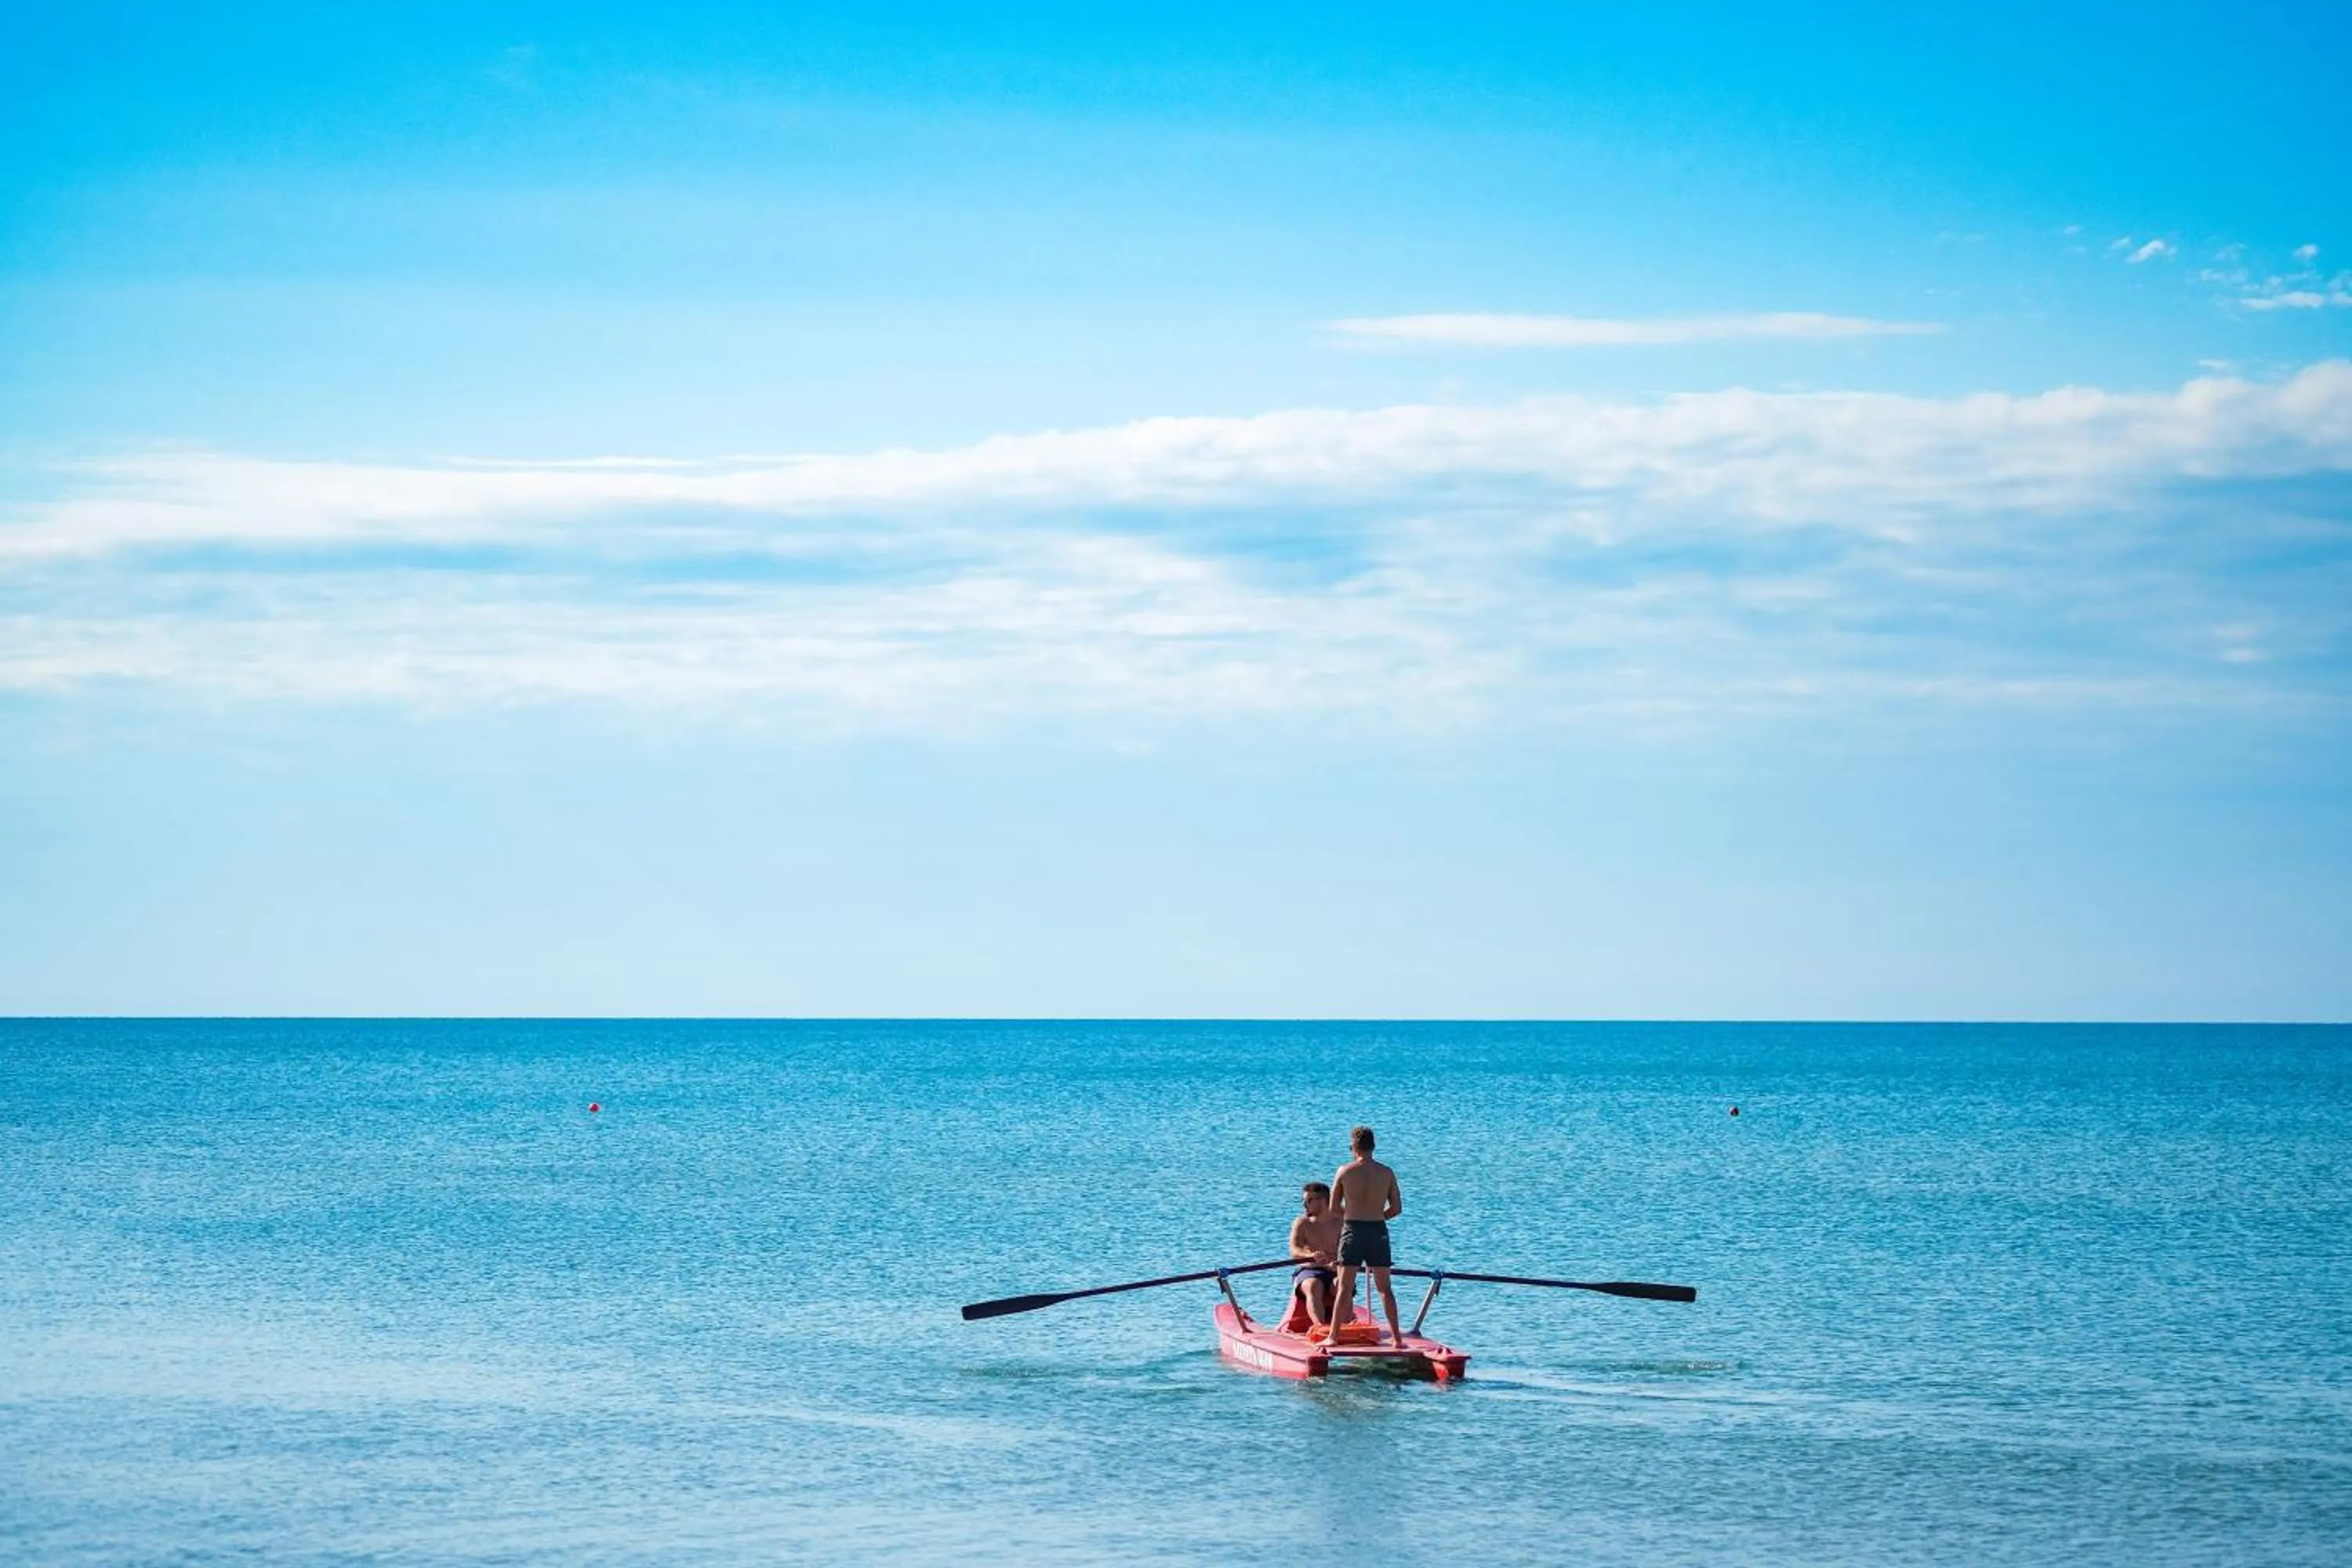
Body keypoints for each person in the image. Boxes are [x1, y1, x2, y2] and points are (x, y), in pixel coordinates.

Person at [1329, 1124, 1405, 1346]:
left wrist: (1353, 1216)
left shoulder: (1345, 1171)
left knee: (1344, 1286)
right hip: (1377, 1230)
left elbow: (1334, 1209)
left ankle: (1333, 1337)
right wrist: (1377, 1216)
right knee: (1384, 1288)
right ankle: (1398, 1339)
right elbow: (1397, 1208)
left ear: (1353, 1147)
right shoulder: (1386, 1172)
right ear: (1374, 1146)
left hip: (1353, 1230)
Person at [1287, 1181, 1341, 1329]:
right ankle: (1321, 1328)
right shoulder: (1302, 1223)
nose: (1305, 1205)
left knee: (1342, 1285)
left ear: (1324, 1201)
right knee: (1313, 1286)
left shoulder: (1341, 1222)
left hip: (1335, 1269)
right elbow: (1295, 1249)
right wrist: (1312, 1255)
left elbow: (1351, 1249)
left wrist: (1340, 1263)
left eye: (1309, 1200)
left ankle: (1346, 1328)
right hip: (1309, 1269)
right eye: (1304, 1200)